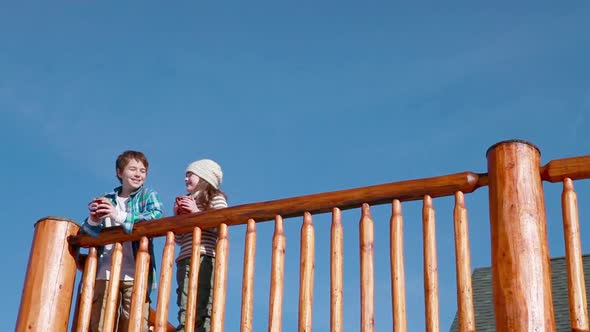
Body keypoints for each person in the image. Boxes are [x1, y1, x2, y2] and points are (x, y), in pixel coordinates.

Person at [80, 150, 164, 332]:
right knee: (101, 323)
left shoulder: (148, 195)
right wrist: (94, 219)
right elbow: (86, 234)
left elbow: (154, 219)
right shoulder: (107, 199)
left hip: (136, 273)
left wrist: (117, 215)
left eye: (142, 171)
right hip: (105, 272)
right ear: (120, 172)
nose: (138, 174)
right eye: (132, 169)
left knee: (133, 323)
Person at [175, 159, 227, 332]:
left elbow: (221, 226)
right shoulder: (186, 200)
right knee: (184, 301)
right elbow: (179, 239)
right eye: (185, 175)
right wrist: (177, 218)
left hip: (205, 257)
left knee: (204, 302)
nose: (186, 179)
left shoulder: (215, 197)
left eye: (190, 174)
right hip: (184, 259)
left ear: (204, 177)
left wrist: (196, 213)